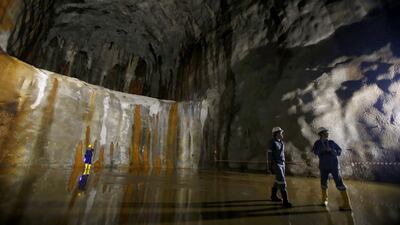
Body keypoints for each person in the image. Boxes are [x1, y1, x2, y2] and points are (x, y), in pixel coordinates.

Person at [312, 127, 351, 210]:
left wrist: (332, 150)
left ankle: (347, 204)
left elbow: (339, 151)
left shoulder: (332, 142)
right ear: (321, 134)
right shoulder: (317, 143)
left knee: (339, 183)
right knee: (323, 183)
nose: (328, 133)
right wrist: (322, 149)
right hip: (323, 166)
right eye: (326, 132)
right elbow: (315, 152)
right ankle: (324, 201)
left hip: (334, 166)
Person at [268, 127, 292, 208]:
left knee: (278, 180)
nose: (282, 134)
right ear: (277, 134)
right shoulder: (272, 142)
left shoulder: (281, 142)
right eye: (281, 133)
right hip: (276, 164)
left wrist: (283, 162)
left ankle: (273, 196)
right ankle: (285, 201)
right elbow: (269, 155)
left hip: (282, 163)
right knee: (282, 181)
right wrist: (270, 166)